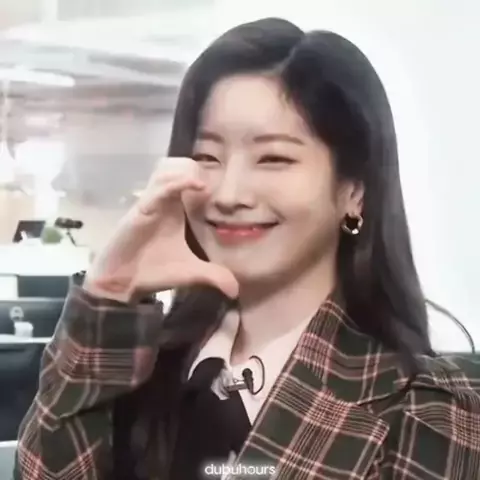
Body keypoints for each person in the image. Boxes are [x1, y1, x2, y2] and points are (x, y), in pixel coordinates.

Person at [14, 17, 480, 480]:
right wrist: (108, 292)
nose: (229, 193)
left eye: (273, 158)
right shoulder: (138, 369)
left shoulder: (430, 410)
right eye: (207, 157)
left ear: (354, 191)